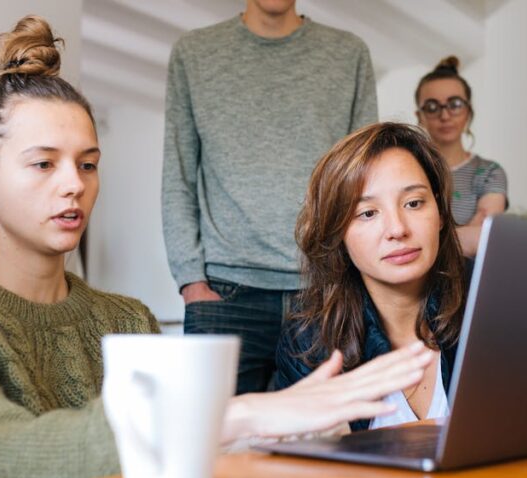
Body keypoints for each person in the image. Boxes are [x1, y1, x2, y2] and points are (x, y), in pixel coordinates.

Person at [0, 16, 432, 478]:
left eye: (88, 163)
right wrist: (236, 414)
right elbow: (4, 467)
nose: (74, 184)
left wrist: (293, 435)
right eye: (44, 163)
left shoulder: (126, 319)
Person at [161, 0, 378, 394]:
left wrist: (355, 278)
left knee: (320, 447)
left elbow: (365, 180)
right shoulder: (194, 53)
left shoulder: (349, 54)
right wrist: (190, 280)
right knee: (215, 448)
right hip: (222, 293)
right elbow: (178, 174)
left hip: (324, 291)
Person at [275, 122, 468, 431]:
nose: (397, 229)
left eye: (414, 203)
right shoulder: (309, 341)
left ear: (441, 212)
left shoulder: (491, 305)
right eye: (367, 213)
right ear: (337, 233)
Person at [415, 56, 507, 257]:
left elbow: (482, 237)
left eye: (454, 104)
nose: (445, 115)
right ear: (419, 116)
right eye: (432, 107)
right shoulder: (407, 170)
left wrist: (419, 248)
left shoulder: (490, 172)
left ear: (468, 111)